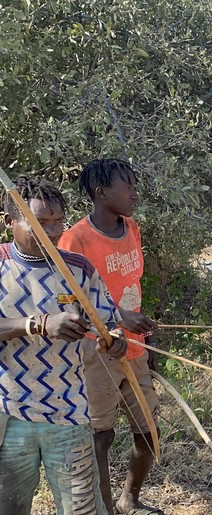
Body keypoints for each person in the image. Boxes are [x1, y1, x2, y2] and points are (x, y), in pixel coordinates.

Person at [0, 176, 127, 514]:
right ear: (9, 221)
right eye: (41, 222)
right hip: (8, 415)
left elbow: (108, 322)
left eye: (58, 221)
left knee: (81, 508)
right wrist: (37, 324)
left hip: (69, 411)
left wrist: (114, 340)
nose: (53, 231)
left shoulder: (77, 268)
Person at [57, 159, 161, 515]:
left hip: (134, 347)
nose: (134, 192)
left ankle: (129, 500)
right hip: (96, 352)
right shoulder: (74, 239)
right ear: (102, 194)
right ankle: (104, 509)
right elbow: (69, 305)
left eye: (134, 183)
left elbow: (133, 286)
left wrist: (145, 340)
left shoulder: (131, 227)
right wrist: (117, 317)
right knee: (100, 435)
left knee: (148, 432)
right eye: (127, 185)